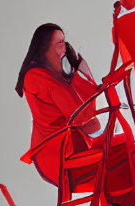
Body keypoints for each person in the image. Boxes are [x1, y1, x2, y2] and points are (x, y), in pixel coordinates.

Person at [16, 24, 101, 186]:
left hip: (68, 144)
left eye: (64, 42)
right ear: (45, 47)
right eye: (60, 43)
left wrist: (81, 75)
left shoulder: (51, 73)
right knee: (121, 152)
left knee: (126, 151)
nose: (65, 48)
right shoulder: (38, 76)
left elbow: (88, 105)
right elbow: (82, 116)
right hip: (58, 153)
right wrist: (78, 75)